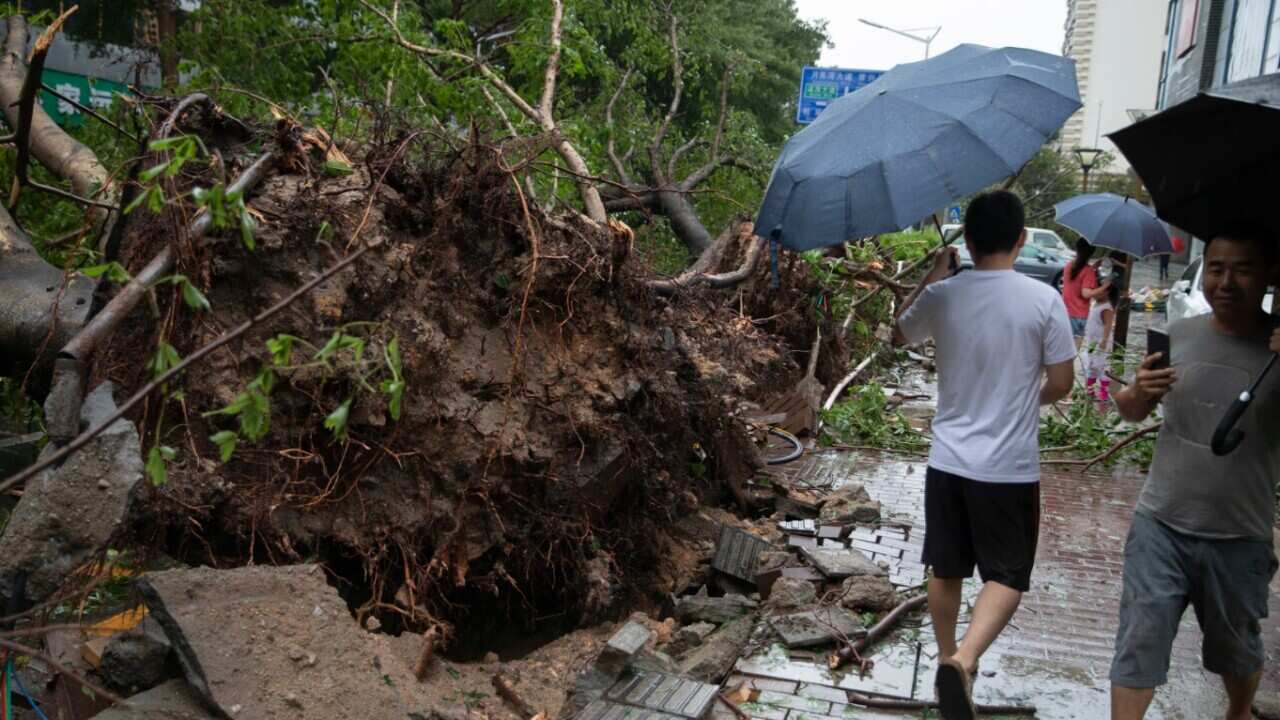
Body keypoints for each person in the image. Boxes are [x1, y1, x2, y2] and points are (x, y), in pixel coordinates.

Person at [894, 191, 1075, 720]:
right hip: (1008, 468)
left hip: (947, 461)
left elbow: (896, 332)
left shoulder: (944, 295)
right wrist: (1025, 397)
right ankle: (965, 662)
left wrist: (933, 274)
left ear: (967, 241)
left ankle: (946, 658)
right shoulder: (1043, 300)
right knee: (1007, 573)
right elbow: (1062, 382)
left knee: (945, 568)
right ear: (1021, 239)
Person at [1109, 225, 1280, 720]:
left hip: (1239, 534)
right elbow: (1129, 411)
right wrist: (1138, 390)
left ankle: (1238, 711)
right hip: (1159, 523)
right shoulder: (1178, 335)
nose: (1225, 281)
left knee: (1236, 650)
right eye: (1217, 268)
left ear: (1270, 273)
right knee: (1138, 641)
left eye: (1242, 270)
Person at [1061, 238, 1113, 349]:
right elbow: (1086, 293)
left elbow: (1078, 277)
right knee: (1074, 348)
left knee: (1064, 346)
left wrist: (1094, 266)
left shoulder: (1069, 265)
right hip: (1079, 315)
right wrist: (1104, 287)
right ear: (1091, 253)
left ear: (1077, 249)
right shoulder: (1087, 271)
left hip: (1065, 311)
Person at [1082, 281, 1120, 401]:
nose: (1095, 291)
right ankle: (1090, 391)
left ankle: (1103, 393)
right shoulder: (1095, 304)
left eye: (1099, 289)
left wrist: (1104, 340)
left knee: (1102, 366)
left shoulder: (1106, 308)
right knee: (1091, 365)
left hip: (1101, 343)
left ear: (1107, 293)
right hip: (1092, 342)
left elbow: (1108, 325)